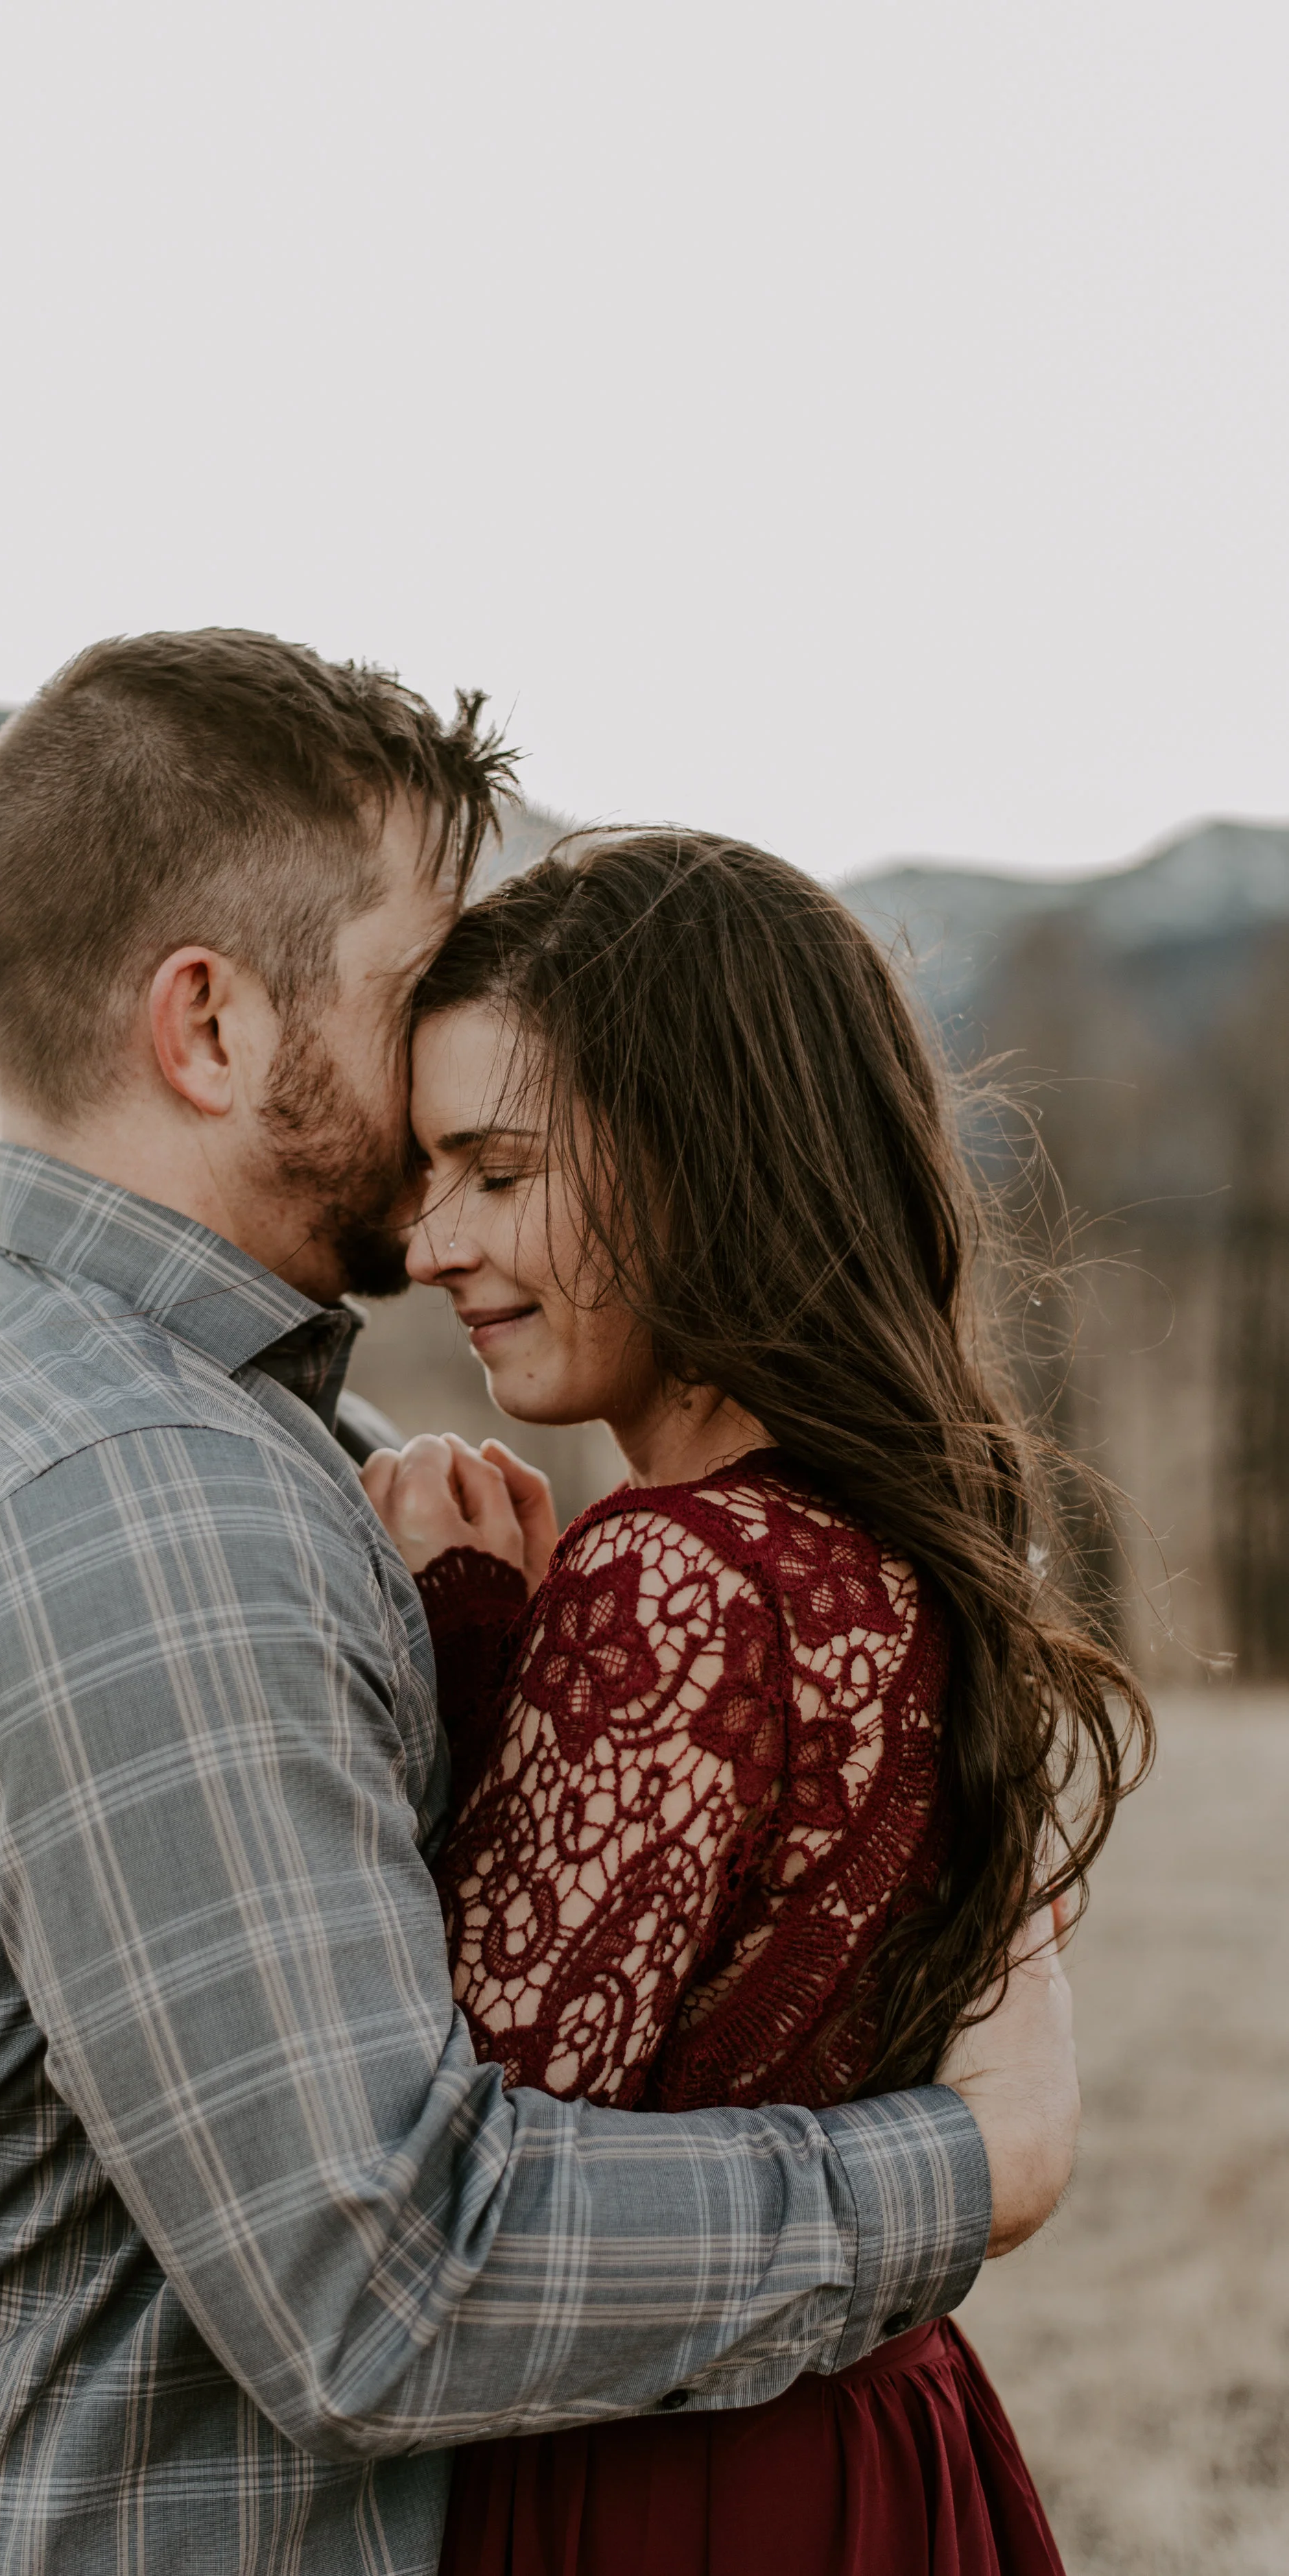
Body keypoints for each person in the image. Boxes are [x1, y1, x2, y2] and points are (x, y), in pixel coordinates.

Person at [0, 634, 1079, 2576]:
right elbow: (387, 2277)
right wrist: (964, 2164)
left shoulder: (239, 1422)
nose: (462, 1012)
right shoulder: (134, 1502)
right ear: (208, 1025)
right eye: (407, 974)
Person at [361, 831, 1152, 2575]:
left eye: (494, 1171)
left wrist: (460, 1656)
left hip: (663, 2487)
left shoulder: (675, 1577)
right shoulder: (893, 1537)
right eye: (425, 1175)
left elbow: (450, 2201)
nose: (428, 1244)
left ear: (697, 1155)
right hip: (877, 2434)